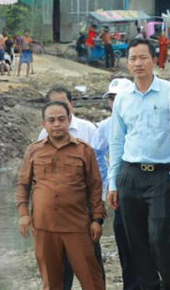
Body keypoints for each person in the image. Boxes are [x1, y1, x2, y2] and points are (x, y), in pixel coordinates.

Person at [106, 38, 170, 290]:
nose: (138, 63)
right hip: (130, 174)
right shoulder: (123, 99)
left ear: (154, 60)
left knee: (159, 236)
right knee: (135, 239)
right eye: (133, 59)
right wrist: (112, 184)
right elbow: (116, 143)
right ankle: (150, 286)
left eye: (143, 58)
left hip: (161, 175)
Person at [17, 101, 107, 290]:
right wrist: (24, 214)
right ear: (44, 124)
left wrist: (97, 219)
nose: (56, 124)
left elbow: (95, 186)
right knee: (51, 282)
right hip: (44, 226)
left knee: (92, 280)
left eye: (61, 119)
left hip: (77, 225)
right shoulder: (34, 150)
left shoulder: (84, 150)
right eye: (51, 120)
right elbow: (23, 185)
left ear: (69, 121)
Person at [40, 87, 106, 290]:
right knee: (59, 267)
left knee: (90, 262)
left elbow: (100, 168)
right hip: (55, 212)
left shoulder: (88, 130)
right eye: (54, 107)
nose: (59, 118)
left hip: (82, 208)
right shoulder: (43, 135)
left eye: (64, 106)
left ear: (71, 106)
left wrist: (97, 212)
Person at [97, 77, 139, 290]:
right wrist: (107, 186)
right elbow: (98, 156)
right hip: (120, 190)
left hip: (144, 187)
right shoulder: (105, 126)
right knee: (123, 235)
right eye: (112, 98)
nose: (114, 103)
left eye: (119, 97)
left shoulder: (141, 118)